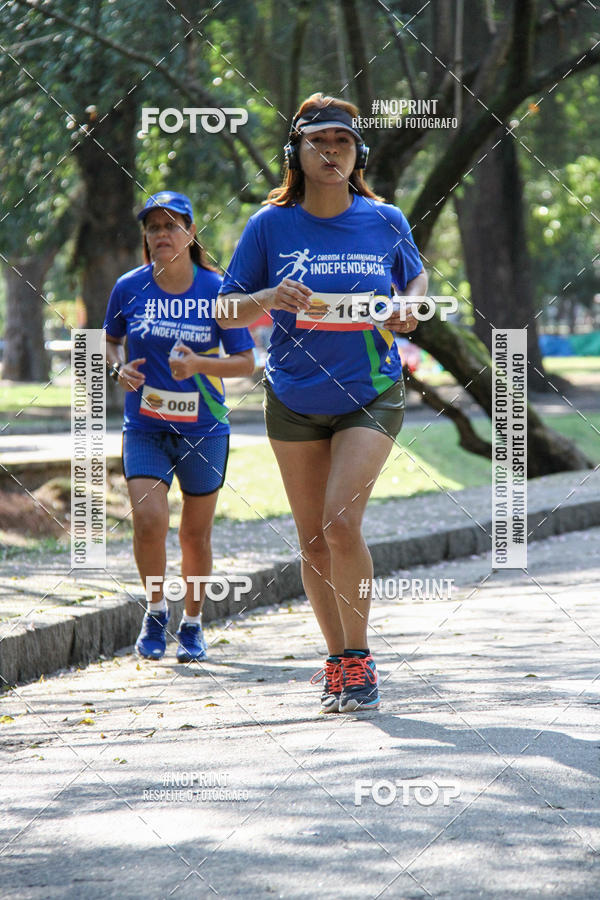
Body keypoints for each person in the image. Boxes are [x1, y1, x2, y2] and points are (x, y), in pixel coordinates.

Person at [218, 93, 428, 712]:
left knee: (341, 521)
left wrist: (411, 305)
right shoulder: (269, 226)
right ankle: (336, 660)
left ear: (357, 152)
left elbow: (413, 276)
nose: (331, 150)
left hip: (371, 389)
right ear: (297, 153)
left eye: (342, 141)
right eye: (318, 141)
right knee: (311, 540)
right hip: (292, 396)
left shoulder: (384, 219)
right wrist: (269, 298)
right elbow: (226, 307)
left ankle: (359, 660)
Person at [104, 191, 254, 663]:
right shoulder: (129, 287)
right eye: (153, 227)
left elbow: (247, 362)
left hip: (205, 430)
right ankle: (154, 609)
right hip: (145, 425)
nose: (162, 234)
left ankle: (192, 623)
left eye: (172, 225)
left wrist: (200, 366)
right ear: (146, 238)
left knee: (195, 535)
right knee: (149, 522)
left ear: (191, 233)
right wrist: (116, 368)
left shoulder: (217, 289)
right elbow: (108, 341)